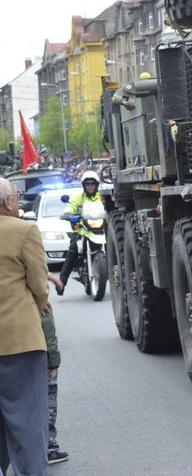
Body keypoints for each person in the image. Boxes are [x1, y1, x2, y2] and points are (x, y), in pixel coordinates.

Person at [0, 176, 50, 476]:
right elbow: (39, 286)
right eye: (17, 196)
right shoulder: (24, 230)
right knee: (28, 427)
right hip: (20, 343)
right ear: (7, 202)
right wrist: (41, 301)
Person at [58, 171, 104, 291]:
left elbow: (108, 207)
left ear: (96, 185)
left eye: (92, 184)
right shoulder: (78, 196)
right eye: (87, 184)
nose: (90, 186)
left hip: (99, 229)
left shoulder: (101, 196)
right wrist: (67, 213)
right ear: (84, 185)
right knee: (73, 249)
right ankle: (61, 283)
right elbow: (71, 206)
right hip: (81, 229)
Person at [42, 274, 68, 465]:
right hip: (36, 358)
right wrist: (54, 361)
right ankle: (49, 448)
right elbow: (48, 330)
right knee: (47, 399)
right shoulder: (39, 304)